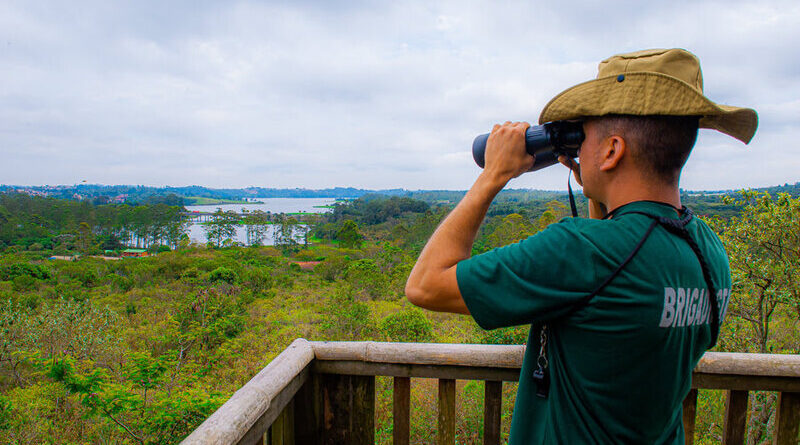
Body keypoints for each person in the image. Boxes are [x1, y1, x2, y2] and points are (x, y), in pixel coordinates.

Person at [405, 48, 758, 443]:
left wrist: (493, 174)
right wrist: (598, 183)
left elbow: (425, 284)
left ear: (612, 151)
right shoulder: (707, 250)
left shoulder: (578, 250)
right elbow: (611, 282)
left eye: (584, 136)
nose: (579, 150)